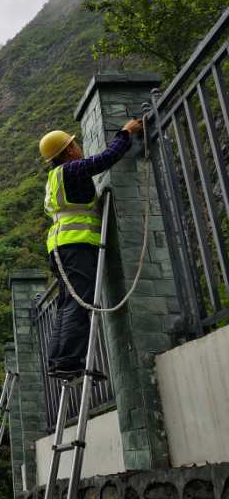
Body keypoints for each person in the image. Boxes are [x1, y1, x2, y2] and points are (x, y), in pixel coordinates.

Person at [38, 118, 144, 378]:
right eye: (74, 144)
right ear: (69, 150)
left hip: (61, 247)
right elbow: (105, 159)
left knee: (66, 303)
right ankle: (68, 360)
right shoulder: (72, 169)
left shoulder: (56, 176)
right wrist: (126, 133)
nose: (78, 146)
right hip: (75, 245)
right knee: (79, 301)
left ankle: (59, 360)